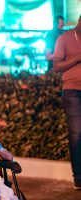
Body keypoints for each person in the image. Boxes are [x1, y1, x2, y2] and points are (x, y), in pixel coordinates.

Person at [53, 15, 81, 190]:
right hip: (72, 91)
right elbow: (56, 66)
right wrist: (77, 57)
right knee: (77, 134)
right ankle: (78, 176)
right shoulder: (64, 38)